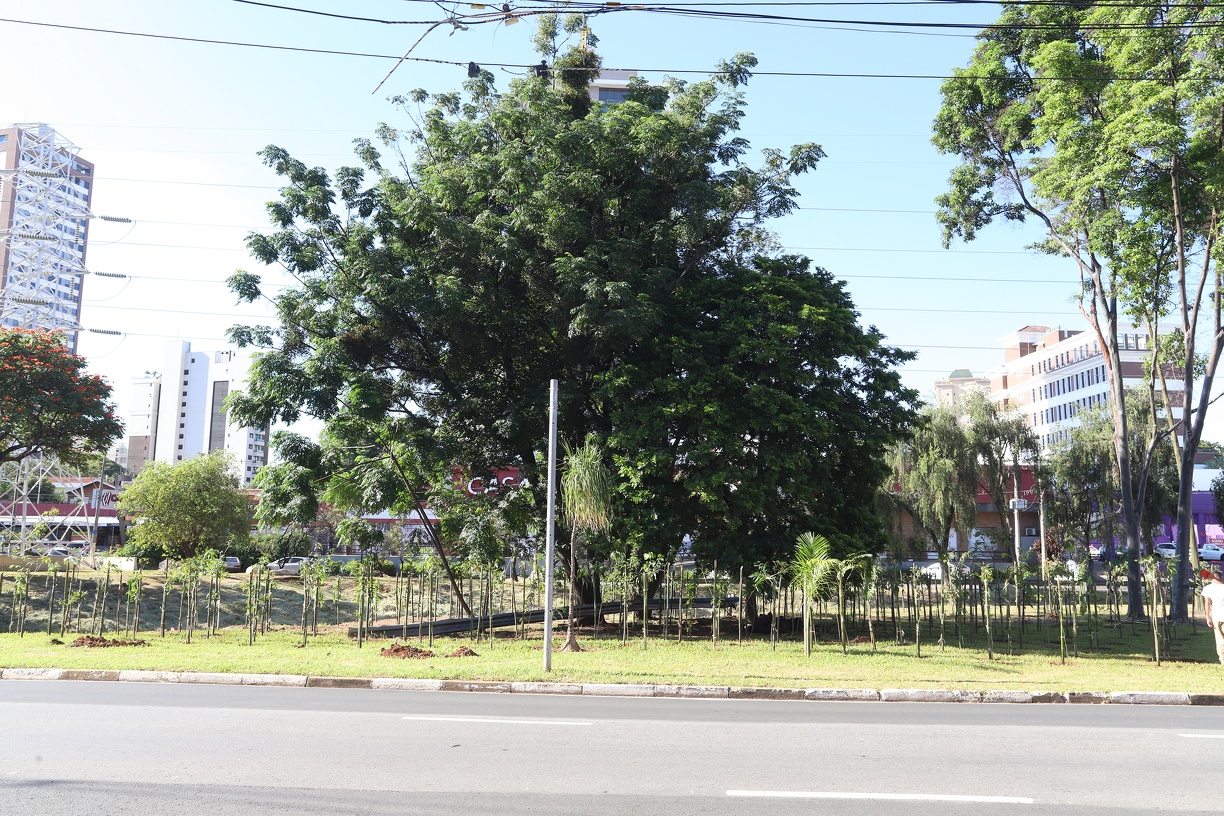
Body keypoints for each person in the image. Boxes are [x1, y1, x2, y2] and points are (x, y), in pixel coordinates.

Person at [1201, 568, 1224, 665]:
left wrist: (1208, 617)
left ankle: (1222, 660)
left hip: (1216, 617)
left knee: (1220, 640)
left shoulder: (1208, 588)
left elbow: (1207, 604)